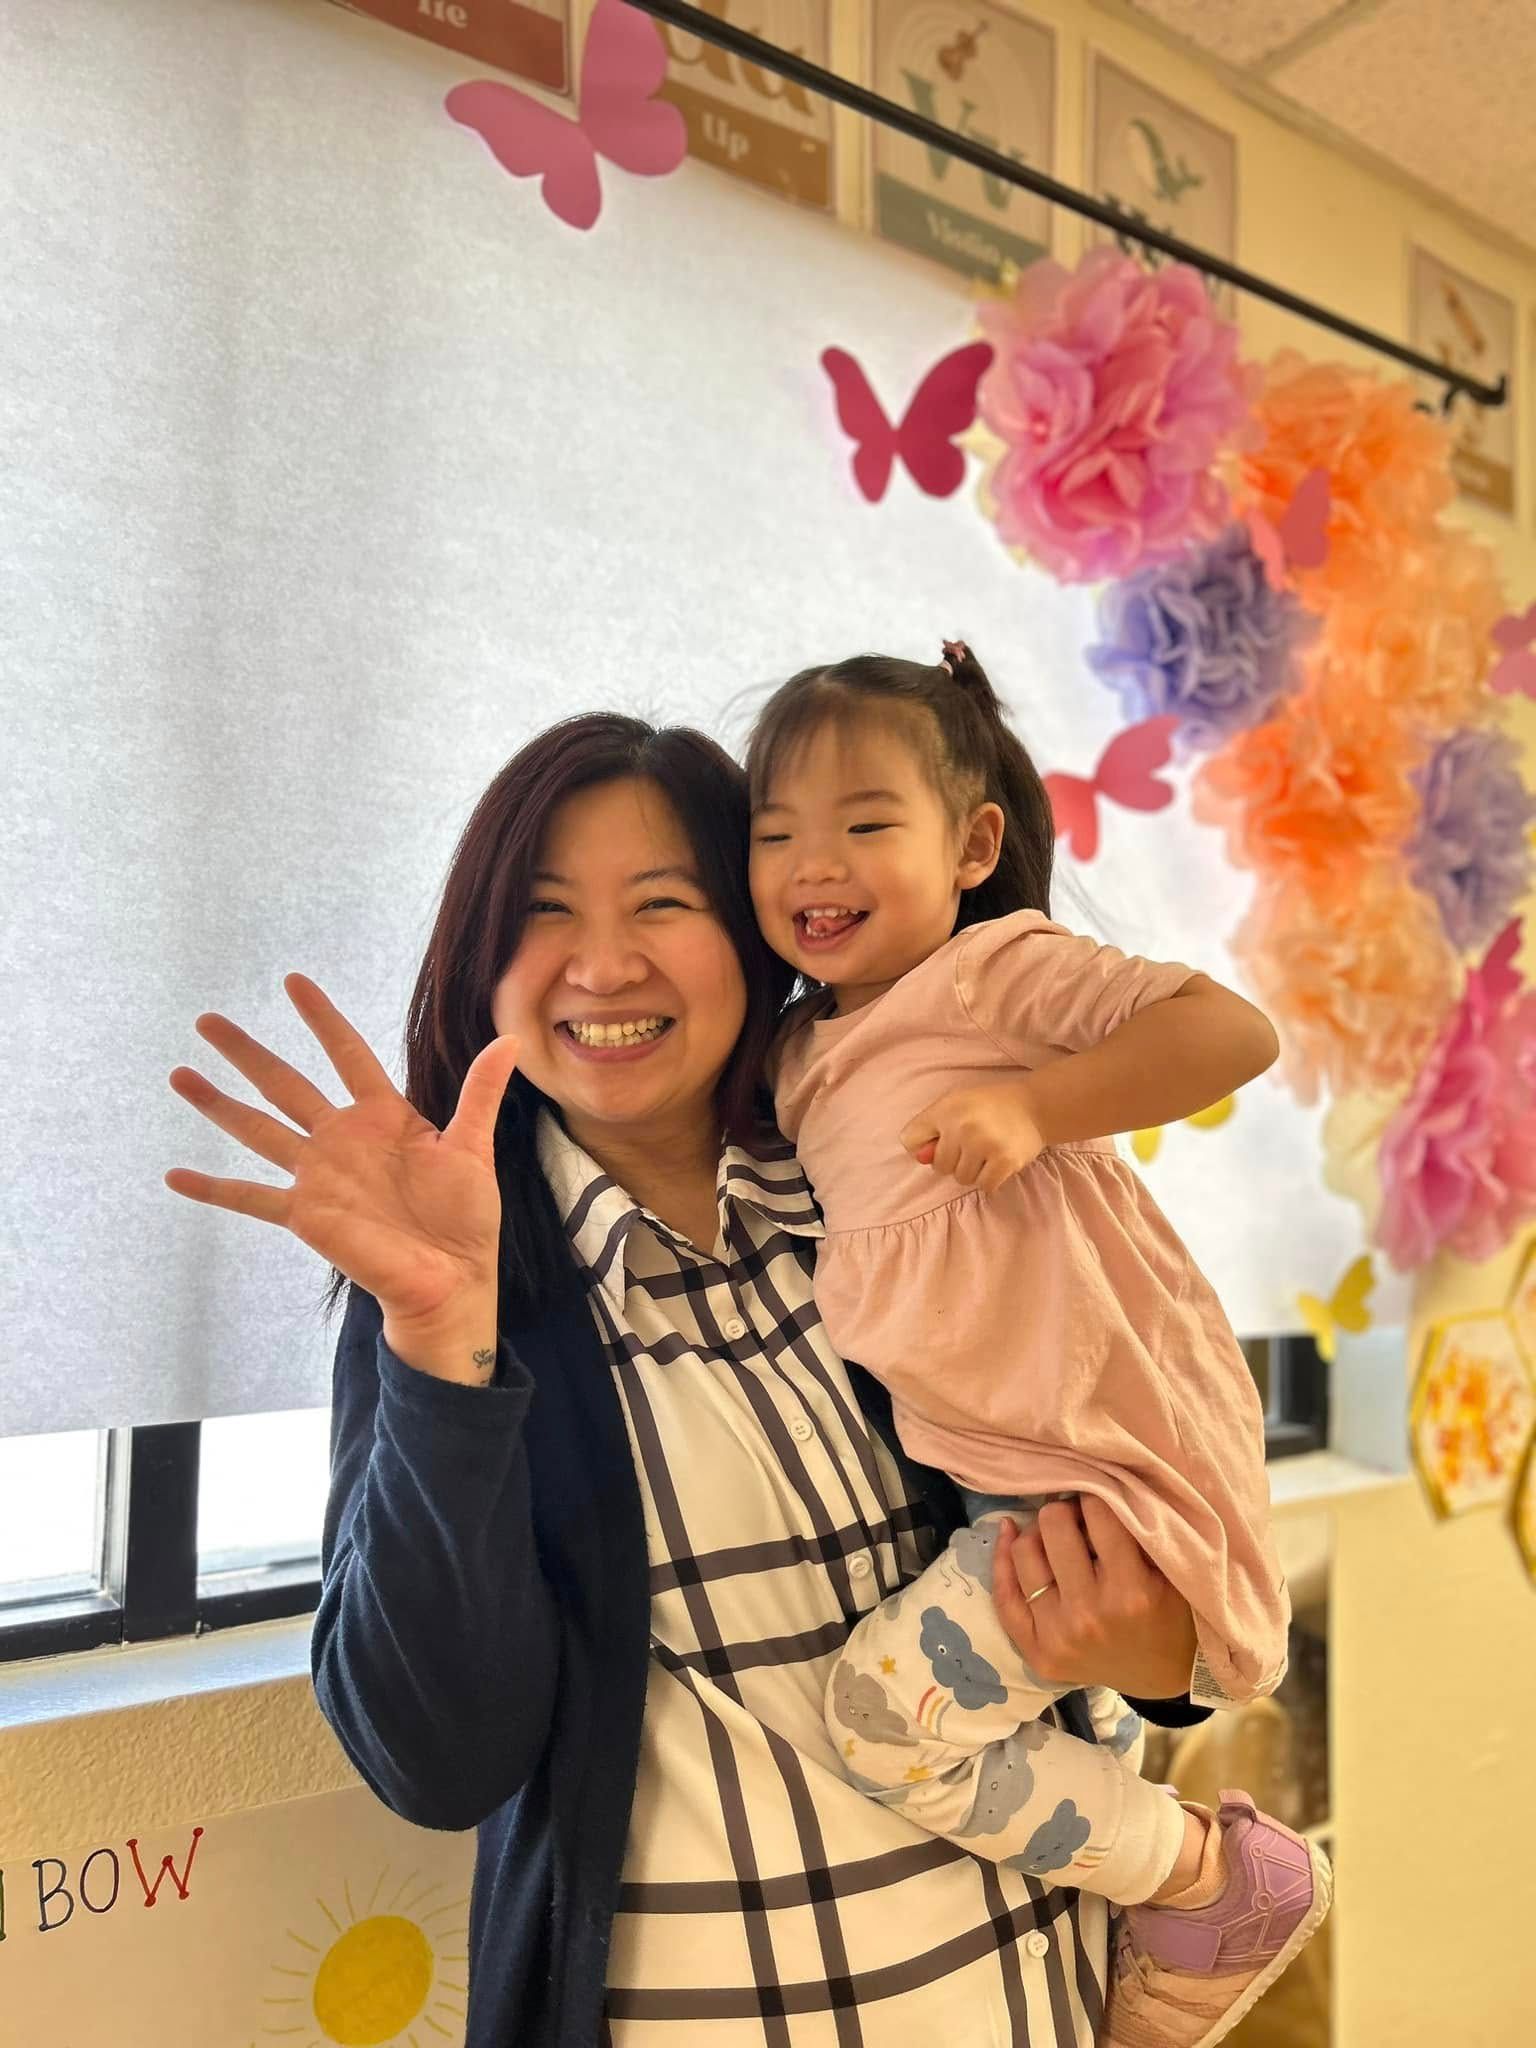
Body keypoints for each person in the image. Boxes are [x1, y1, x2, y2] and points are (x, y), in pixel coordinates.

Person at [165, 712, 1220, 2048]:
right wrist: (438, 1347)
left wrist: (1157, 1654)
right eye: (547, 912)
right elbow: (439, 1758)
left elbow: (1118, 1476)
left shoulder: (896, 1212)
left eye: (662, 902)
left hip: (1026, 2003)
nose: (604, 964)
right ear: (485, 964)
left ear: (759, 934)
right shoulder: (461, 1301)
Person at [744, 644, 1332, 2047]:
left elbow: (1229, 1030)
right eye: (775, 835)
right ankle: (1162, 1929)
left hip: (1092, 1461)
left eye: (865, 825)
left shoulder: (988, 973)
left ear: (973, 846)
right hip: (995, 1468)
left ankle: (1214, 1879)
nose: (813, 865)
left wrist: (1046, 1108)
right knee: (1051, 1720)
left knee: (887, 1725)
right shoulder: (796, 1051)